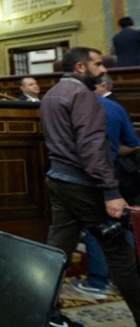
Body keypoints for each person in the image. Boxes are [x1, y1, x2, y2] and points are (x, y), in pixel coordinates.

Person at [41, 47, 140, 326]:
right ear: (81, 67)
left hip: (58, 180)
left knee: (56, 252)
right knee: (120, 255)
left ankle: (45, 315)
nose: (104, 69)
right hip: (84, 184)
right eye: (98, 64)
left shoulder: (51, 94)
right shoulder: (83, 96)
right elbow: (92, 147)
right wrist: (111, 192)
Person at [72, 75, 140, 300]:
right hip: (117, 174)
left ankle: (98, 280)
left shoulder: (74, 107)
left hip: (85, 176)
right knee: (123, 224)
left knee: (94, 228)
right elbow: (132, 143)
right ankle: (128, 281)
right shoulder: (115, 107)